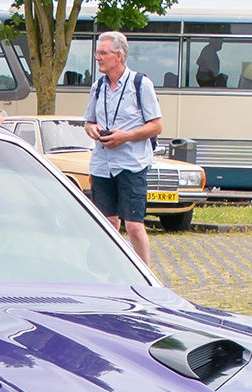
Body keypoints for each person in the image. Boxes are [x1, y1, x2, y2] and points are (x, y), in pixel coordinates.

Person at [83, 30, 163, 267]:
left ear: (118, 56)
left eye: (103, 53)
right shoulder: (97, 86)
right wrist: (93, 130)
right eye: (97, 53)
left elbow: (157, 125)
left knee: (134, 226)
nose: (98, 57)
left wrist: (125, 136)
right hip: (102, 165)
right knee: (108, 224)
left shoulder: (140, 84)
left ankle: (145, 278)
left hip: (131, 164)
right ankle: (112, 272)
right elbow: (88, 122)